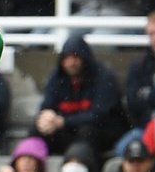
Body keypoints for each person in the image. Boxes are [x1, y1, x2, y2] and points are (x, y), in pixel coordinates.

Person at [34, 34, 126, 162]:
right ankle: (25, 166)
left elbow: (99, 115)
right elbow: (47, 105)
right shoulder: (57, 77)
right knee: (38, 129)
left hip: (102, 133)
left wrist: (63, 121)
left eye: (76, 57)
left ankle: (80, 168)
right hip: (69, 131)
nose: (71, 63)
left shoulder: (104, 77)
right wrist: (46, 118)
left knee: (87, 131)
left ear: (85, 58)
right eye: (67, 58)